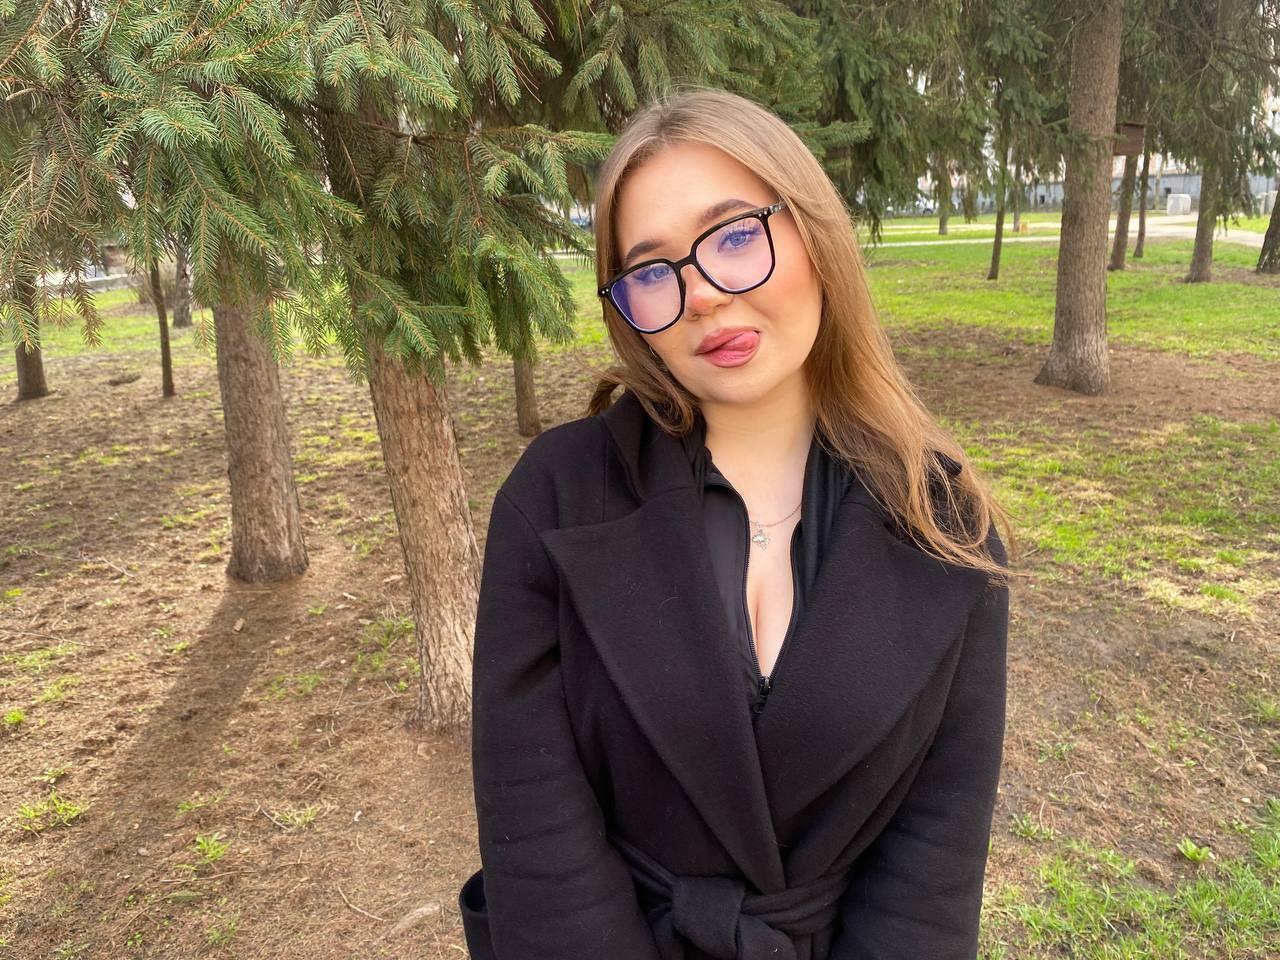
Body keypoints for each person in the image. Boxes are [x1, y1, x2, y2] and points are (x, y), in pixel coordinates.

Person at [459, 84, 1017, 960]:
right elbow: (538, 841)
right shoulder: (554, 499)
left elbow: (932, 871)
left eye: (733, 236)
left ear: (814, 233)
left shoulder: (946, 524)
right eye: (652, 272)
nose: (703, 296)